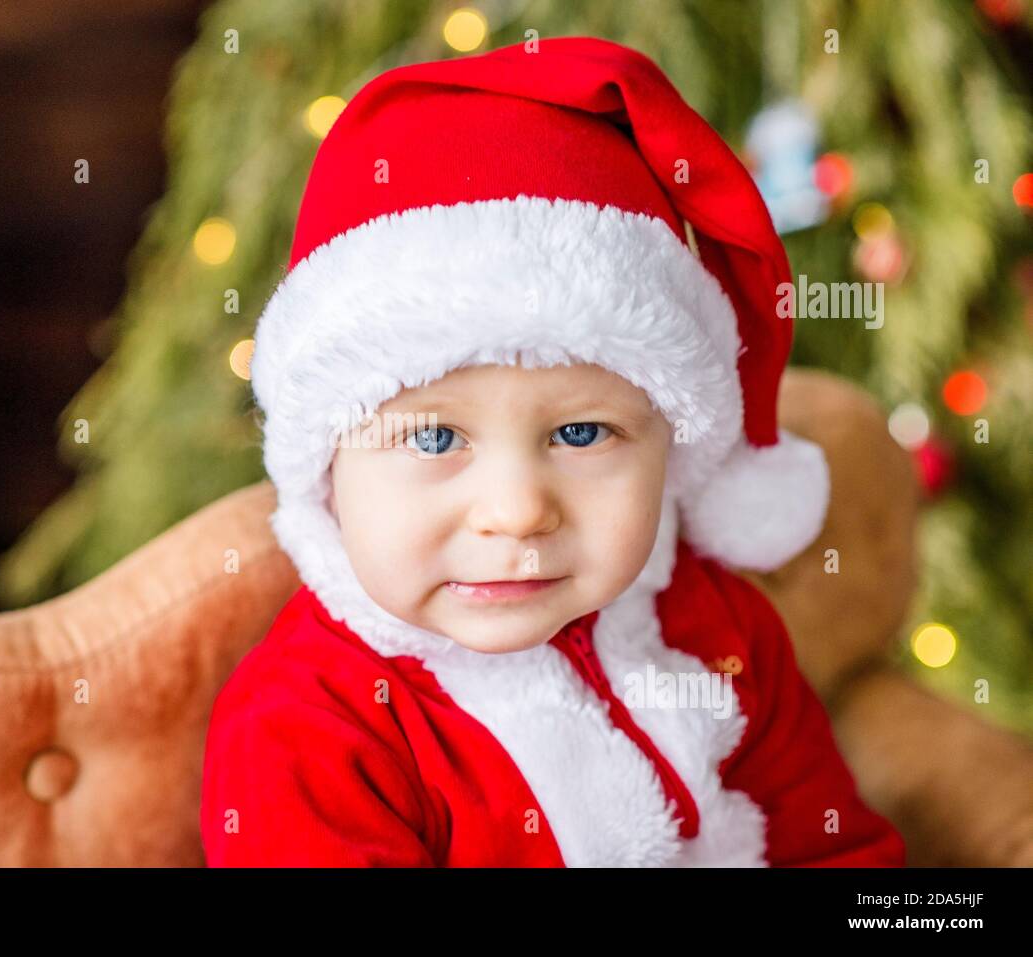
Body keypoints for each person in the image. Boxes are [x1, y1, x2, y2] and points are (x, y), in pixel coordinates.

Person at [199, 35, 907, 867]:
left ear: (666, 445)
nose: (517, 509)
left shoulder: (720, 627)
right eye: (434, 436)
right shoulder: (305, 729)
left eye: (579, 433)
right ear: (327, 466)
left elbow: (837, 852)